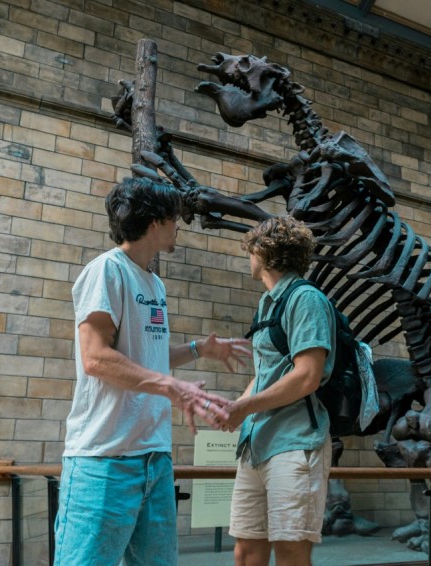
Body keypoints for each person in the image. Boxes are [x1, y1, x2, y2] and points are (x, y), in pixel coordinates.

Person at [54, 176, 250, 566]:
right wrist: (169, 386)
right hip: (104, 459)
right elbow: (95, 358)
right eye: (175, 217)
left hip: (155, 460)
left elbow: (145, 359)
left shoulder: (155, 283)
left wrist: (198, 349)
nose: (180, 225)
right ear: (156, 221)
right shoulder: (106, 271)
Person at [223, 216, 337, 566]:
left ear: (265, 251)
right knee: (247, 552)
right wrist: (235, 407)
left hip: (295, 443)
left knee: (291, 552)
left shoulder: (306, 299)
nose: (249, 257)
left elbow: (307, 377)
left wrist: (246, 407)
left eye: (251, 250)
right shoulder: (267, 303)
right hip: (256, 445)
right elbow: (267, 374)